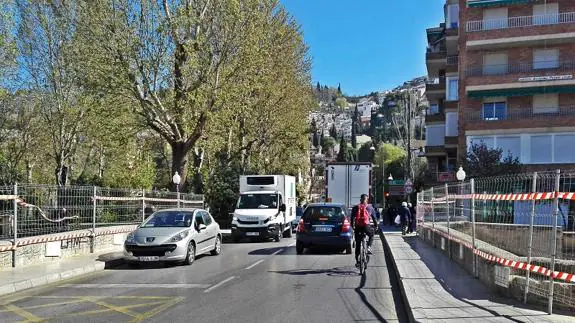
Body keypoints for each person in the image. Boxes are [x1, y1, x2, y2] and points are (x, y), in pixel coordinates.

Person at [351, 194, 378, 268]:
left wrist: (352, 226)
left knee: (358, 244)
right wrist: (376, 226)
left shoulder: (355, 207)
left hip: (358, 227)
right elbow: (374, 218)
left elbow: (352, 218)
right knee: (372, 234)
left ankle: (357, 261)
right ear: (367, 200)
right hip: (366, 226)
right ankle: (368, 246)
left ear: (360, 200)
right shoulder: (370, 207)